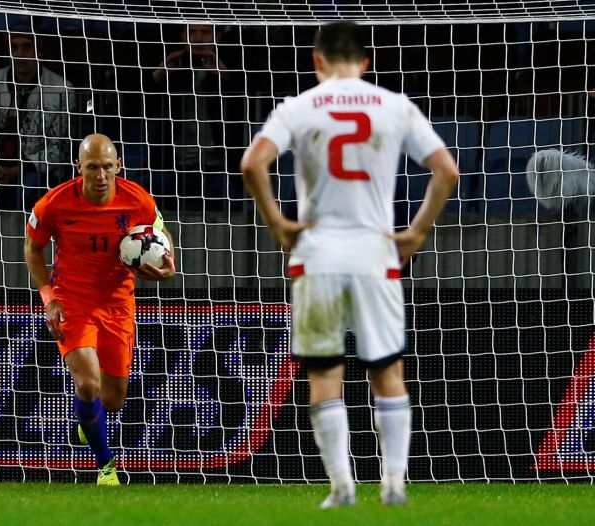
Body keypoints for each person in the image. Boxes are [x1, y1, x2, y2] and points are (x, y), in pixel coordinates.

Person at [240, 21, 459, 507]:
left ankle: (341, 487)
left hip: (315, 256)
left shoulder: (298, 107)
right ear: (365, 63)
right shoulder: (393, 105)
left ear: (317, 61)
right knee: (386, 370)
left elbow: (253, 163)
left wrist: (278, 223)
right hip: (373, 254)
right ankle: (395, 484)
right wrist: (417, 230)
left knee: (324, 374)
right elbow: (446, 170)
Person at [24, 134, 176, 485]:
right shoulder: (54, 203)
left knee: (113, 400)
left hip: (118, 303)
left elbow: (161, 233)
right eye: (92, 167)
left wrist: (169, 267)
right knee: (88, 384)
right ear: (79, 168)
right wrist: (49, 298)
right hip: (73, 302)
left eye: (107, 166)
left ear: (118, 166)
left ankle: (86, 419)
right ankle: (105, 465)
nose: (101, 175)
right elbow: (33, 248)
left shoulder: (137, 199)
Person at [0, 24, 75, 211]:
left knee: (28, 190)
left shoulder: (61, 89)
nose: (19, 54)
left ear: (39, 50)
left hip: (34, 170)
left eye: (26, 47)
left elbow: (61, 146)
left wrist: (19, 169)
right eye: (14, 47)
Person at [149, 24, 245, 211]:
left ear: (217, 36)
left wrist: (224, 76)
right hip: (173, 167)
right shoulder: (174, 67)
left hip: (218, 168)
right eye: (192, 32)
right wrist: (158, 76)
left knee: (232, 201)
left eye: (205, 32)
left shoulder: (232, 67)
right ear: (183, 36)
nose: (198, 38)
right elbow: (138, 109)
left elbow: (246, 107)